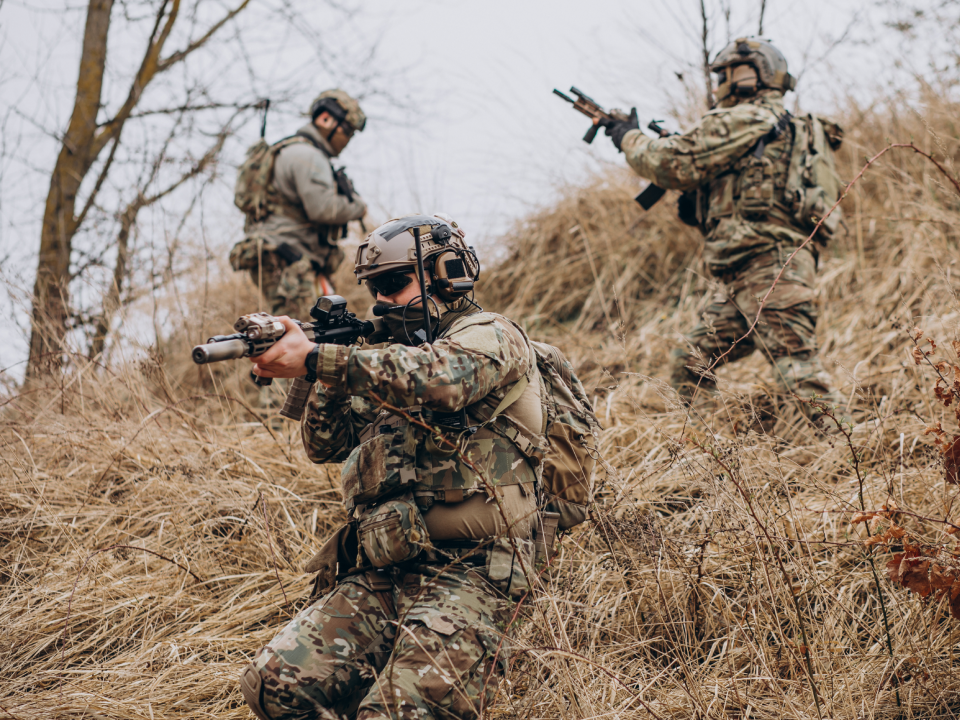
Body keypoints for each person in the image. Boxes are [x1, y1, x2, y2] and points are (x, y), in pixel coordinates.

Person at [238, 214, 548, 720]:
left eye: (394, 284)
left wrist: (321, 359)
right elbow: (324, 445)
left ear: (448, 274)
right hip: (386, 571)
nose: (381, 300)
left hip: (475, 572)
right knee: (274, 686)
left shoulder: (491, 335)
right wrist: (331, 365)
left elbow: (445, 379)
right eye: (373, 288)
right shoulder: (385, 360)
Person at [602, 37, 841, 411]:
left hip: (771, 269)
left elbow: (672, 163)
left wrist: (627, 137)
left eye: (725, 75)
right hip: (743, 274)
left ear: (751, 74)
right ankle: (716, 452)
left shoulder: (752, 116)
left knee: (799, 372)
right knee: (690, 360)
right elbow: (734, 205)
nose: (719, 86)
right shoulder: (771, 127)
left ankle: (849, 455)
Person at [231, 89, 369, 319]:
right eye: (347, 130)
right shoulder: (308, 155)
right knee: (302, 334)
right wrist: (358, 207)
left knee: (310, 330)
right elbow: (323, 208)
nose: (347, 139)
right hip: (289, 259)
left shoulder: (290, 150)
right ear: (325, 119)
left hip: (282, 254)